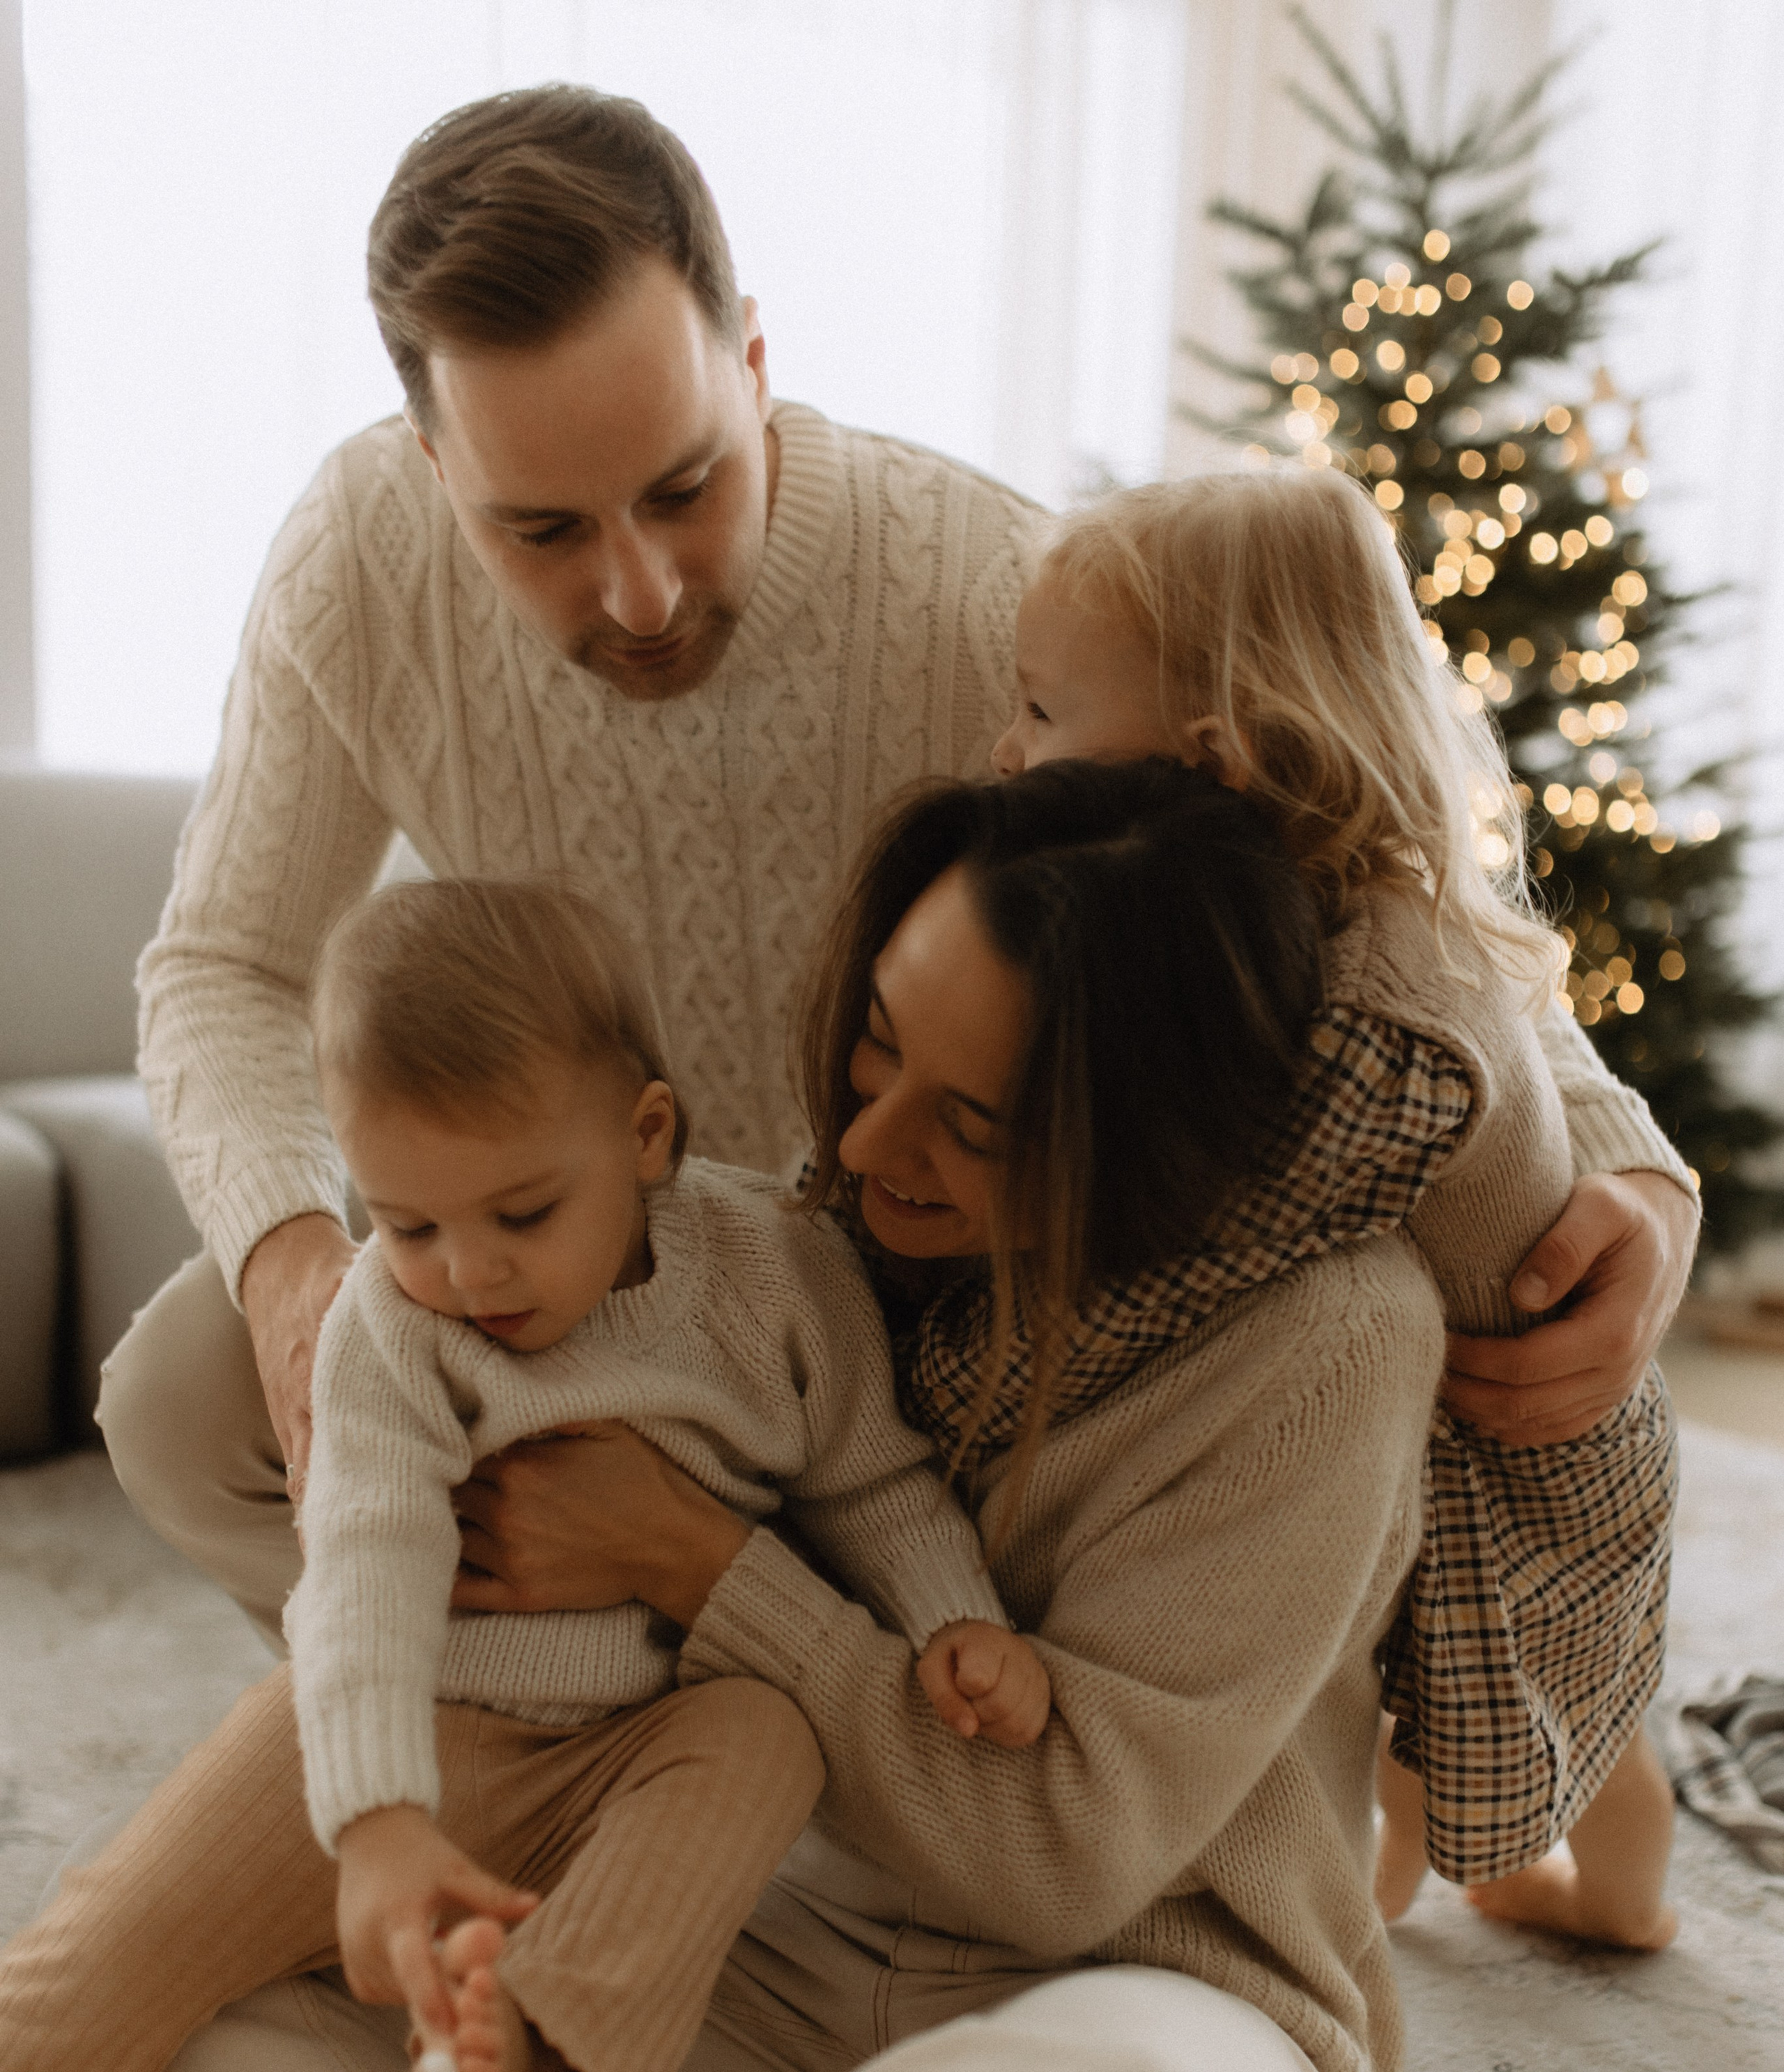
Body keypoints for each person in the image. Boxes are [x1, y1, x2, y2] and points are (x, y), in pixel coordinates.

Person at [121, 753, 1464, 2072]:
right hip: (805, 1954)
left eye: (974, 1121)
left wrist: (696, 1565)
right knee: (208, 1977)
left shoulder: (1333, 1346)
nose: (875, 1142)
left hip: (1165, 2000)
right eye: (875, 1052)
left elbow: (1064, 1866)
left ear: (1140, 1141)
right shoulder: (833, 1243)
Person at [100, 82, 1697, 1673]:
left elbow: (1361, 867)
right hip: (594, 1270)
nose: (640, 593)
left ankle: (769, 1704)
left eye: (681, 488)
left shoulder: (989, 584)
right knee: (180, 1398)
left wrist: (1626, 1163)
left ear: (752, 363)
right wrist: (295, 1264)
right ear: (429, 464)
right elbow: (224, 969)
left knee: (1323, 1349)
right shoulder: (355, 558)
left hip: (940, 1329)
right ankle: (566, 1713)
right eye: (542, 532)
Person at [0, 873, 1048, 2072]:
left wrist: (958, 1621)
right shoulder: (393, 1322)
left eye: (519, 1212)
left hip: (648, 1739)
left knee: (767, 1728)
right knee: (104, 1956)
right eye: (408, 1224)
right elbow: (363, 1566)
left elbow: (868, 1483)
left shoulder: (778, 1275)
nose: (467, 1273)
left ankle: (529, 2043)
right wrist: (376, 1826)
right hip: (435, 1719)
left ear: (647, 1137)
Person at [996, 468, 1686, 1951]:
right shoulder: (1279, 908)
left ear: (1212, 759)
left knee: (1562, 1709)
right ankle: (1409, 1883)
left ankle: (1623, 1888)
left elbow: (1230, 1239)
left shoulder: (1373, 1004)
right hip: (1426, 1413)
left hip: (1525, 1446)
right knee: (1389, 1688)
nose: (1007, 750)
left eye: (1045, 714)